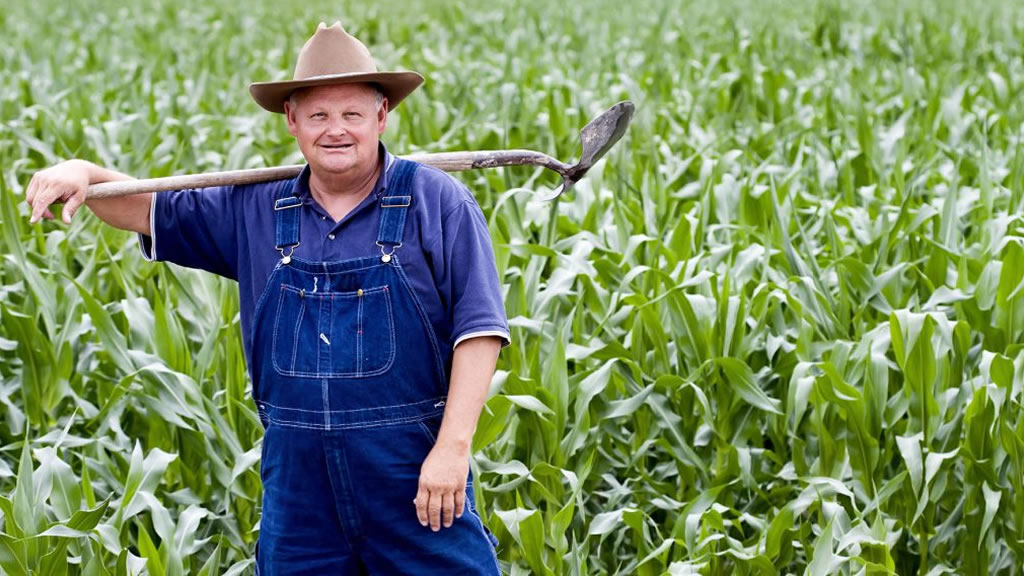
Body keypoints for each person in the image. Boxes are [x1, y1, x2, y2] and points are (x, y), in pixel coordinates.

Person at [26, 21, 508, 575]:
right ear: (292, 121)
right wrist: (83, 174)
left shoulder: (437, 202)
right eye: (319, 116)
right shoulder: (253, 209)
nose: (336, 131)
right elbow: (143, 208)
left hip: (416, 483)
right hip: (299, 496)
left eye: (352, 114)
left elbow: (479, 331)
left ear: (381, 115)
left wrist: (452, 451)